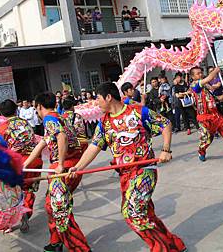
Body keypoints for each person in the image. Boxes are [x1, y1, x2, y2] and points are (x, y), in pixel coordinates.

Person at [68, 82, 187, 252]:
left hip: (144, 170)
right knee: (146, 214)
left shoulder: (138, 111)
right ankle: (174, 244)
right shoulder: (104, 123)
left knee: (133, 214)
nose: (96, 103)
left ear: (108, 97)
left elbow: (165, 123)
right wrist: (78, 167)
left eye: (98, 98)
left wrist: (166, 149)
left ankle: (161, 248)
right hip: (125, 175)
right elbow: (94, 146)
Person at [24, 93, 90, 252]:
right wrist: (24, 164)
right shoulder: (60, 118)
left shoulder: (49, 119)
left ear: (40, 106)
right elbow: (42, 143)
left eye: (36, 108)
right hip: (72, 166)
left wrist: (60, 164)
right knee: (52, 205)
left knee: (57, 209)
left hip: (64, 168)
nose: (36, 112)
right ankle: (56, 242)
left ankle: (80, 248)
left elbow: (61, 137)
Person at [0, 99, 42, 233]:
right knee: (28, 190)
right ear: (16, 110)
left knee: (14, 192)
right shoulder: (25, 122)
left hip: (16, 164)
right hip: (34, 161)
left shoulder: (1, 129)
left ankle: (17, 216)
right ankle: (26, 212)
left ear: (2, 114)